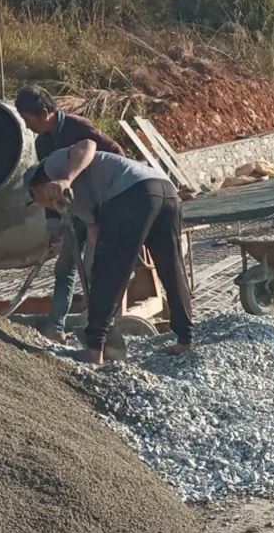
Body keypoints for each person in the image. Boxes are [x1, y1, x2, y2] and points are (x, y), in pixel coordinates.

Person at [30, 139, 194, 364]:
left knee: (108, 273)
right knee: (171, 266)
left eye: (37, 201)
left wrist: (66, 178)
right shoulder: (76, 200)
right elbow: (96, 232)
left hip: (134, 192)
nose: (45, 206)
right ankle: (185, 339)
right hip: (165, 190)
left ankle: (94, 349)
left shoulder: (52, 166)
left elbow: (88, 145)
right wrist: (113, 259)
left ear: (35, 188)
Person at [15, 85, 127, 343]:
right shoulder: (43, 142)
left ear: (44, 113)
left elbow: (117, 156)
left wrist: (116, 204)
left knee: (95, 266)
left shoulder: (78, 128)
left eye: (28, 119)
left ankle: (103, 325)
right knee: (64, 267)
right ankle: (56, 325)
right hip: (73, 211)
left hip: (101, 207)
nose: (27, 125)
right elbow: (45, 184)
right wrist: (53, 223)